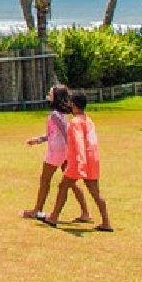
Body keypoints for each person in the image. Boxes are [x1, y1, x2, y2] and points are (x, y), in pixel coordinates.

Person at [40, 93, 114, 232]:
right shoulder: (88, 120)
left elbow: (79, 142)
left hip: (78, 161)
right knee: (95, 192)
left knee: (63, 187)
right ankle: (106, 222)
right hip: (92, 160)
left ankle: (53, 217)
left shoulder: (75, 122)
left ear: (73, 104)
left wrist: (80, 162)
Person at [22, 84, 92, 223]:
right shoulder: (64, 114)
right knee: (71, 181)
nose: (49, 94)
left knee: (45, 179)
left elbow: (64, 133)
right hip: (65, 151)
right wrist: (38, 140)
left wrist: (72, 148)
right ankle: (85, 212)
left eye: (51, 92)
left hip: (56, 151)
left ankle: (37, 210)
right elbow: (53, 134)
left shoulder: (54, 115)